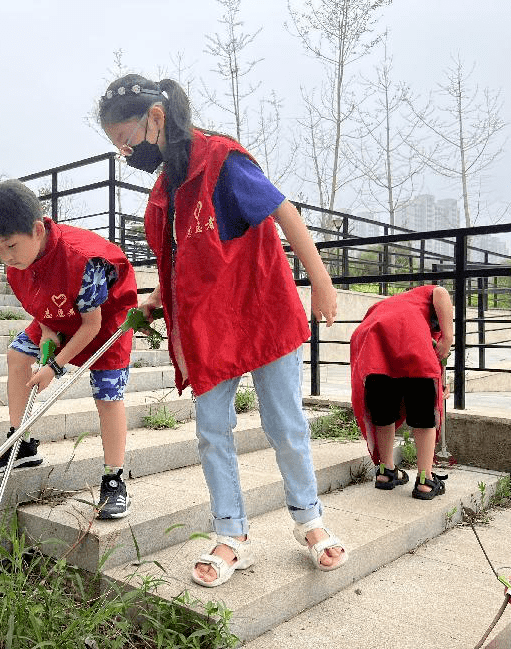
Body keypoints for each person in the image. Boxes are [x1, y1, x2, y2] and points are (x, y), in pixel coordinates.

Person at [98, 74, 348, 586]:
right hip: (210, 328)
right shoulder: (164, 191)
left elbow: (284, 211)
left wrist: (320, 283)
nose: (126, 152)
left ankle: (310, 523)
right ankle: (230, 535)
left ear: (156, 118)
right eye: (116, 146)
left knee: (285, 425)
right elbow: (180, 266)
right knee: (213, 431)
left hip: (261, 310)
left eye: (126, 139)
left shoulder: (221, 161)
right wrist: (156, 301)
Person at [0, 180, 138, 520]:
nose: (6, 257)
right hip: (56, 315)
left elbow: (91, 326)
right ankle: (21, 442)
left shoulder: (83, 261)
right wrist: (47, 331)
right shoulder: (18, 262)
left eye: (10, 246)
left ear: (37, 229)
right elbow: (37, 307)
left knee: (108, 395)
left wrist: (54, 366)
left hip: (104, 321)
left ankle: (114, 478)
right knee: (17, 354)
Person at [349, 284, 454, 500]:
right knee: (423, 412)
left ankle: (386, 472)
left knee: (384, 411)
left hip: (374, 345)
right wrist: (448, 338)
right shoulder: (426, 296)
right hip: (410, 343)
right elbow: (441, 292)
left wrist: (441, 380)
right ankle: (425, 480)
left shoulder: (394, 304)